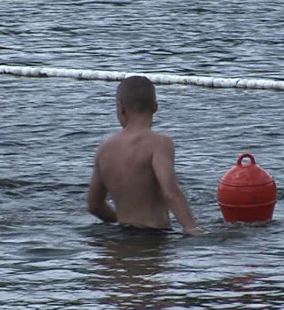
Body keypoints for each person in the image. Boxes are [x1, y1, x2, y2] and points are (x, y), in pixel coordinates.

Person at [87, 76, 203, 236]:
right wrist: (191, 228)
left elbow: (94, 205)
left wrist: (119, 219)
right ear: (155, 107)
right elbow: (170, 191)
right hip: (154, 235)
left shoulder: (104, 148)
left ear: (121, 108)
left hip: (119, 235)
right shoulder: (159, 143)